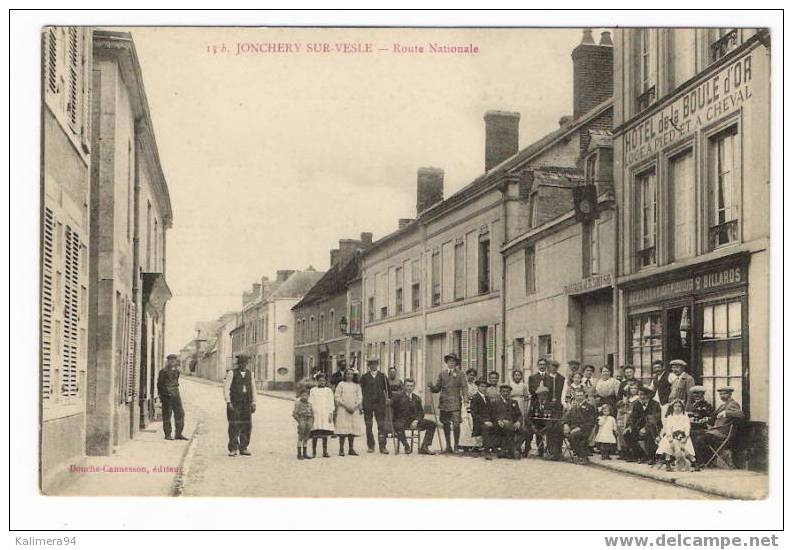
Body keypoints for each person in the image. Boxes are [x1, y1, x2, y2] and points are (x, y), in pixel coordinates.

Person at [428, 353, 466, 453]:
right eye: (449, 361)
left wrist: (465, 397)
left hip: (455, 403)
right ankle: (448, 446)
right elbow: (437, 388)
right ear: (447, 362)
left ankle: (456, 446)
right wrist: (431, 387)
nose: (451, 363)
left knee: (456, 424)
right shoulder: (442, 374)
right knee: (445, 424)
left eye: (453, 361)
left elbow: (464, 387)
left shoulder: (461, 374)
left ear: (456, 363)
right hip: (444, 403)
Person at [390, 378, 437, 455]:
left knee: (432, 424)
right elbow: (390, 406)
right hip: (401, 421)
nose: (409, 388)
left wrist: (416, 420)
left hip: (413, 421)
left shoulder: (416, 398)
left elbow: (421, 412)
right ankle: (406, 446)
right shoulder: (397, 397)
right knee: (399, 426)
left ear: (414, 387)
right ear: (404, 386)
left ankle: (424, 446)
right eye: (407, 386)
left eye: (411, 386)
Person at [700, 386, 744, 467]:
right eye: (720, 394)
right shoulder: (722, 405)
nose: (722, 396)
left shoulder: (733, 404)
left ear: (730, 394)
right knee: (695, 433)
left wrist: (726, 413)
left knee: (700, 438)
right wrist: (707, 419)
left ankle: (703, 462)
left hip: (722, 433)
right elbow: (713, 417)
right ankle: (704, 462)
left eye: (724, 394)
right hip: (716, 431)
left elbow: (740, 414)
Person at [224, 353, 257, 456]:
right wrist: (228, 401)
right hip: (234, 403)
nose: (243, 365)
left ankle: (244, 447)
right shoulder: (231, 373)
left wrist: (254, 402)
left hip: (246, 403)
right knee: (234, 425)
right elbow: (226, 388)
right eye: (241, 363)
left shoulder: (250, 374)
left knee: (246, 425)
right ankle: (233, 448)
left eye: (245, 363)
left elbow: (253, 388)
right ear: (238, 364)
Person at [623, 385, 662, 464]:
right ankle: (641, 455)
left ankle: (652, 457)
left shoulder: (655, 404)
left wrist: (645, 428)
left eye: (643, 395)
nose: (641, 397)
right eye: (640, 394)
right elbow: (632, 417)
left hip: (653, 427)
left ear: (648, 395)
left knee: (649, 433)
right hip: (639, 427)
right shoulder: (637, 404)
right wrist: (629, 426)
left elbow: (654, 419)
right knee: (627, 434)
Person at [359, 358, 390, 454]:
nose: (373, 366)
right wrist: (361, 404)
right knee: (369, 425)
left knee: (381, 425)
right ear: (369, 366)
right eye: (371, 364)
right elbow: (360, 392)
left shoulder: (383, 376)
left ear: (377, 365)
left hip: (380, 404)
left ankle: (383, 446)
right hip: (368, 404)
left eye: (375, 364)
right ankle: (371, 446)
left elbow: (388, 390)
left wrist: (388, 399)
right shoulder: (364, 377)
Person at [657, 399, 696, 471]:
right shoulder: (670, 417)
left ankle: (693, 461)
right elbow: (668, 428)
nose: (677, 408)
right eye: (675, 406)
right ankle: (667, 462)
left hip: (683, 436)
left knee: (684, 447)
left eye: (679, 406)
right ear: (672, 407)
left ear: (682, 408)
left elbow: (687, 427)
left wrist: (686, 436)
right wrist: (670, 437)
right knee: (668, 445)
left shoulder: (685, 417)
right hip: (672, 436)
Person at [485, 384, 523, 459]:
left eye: (507, 392)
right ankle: (512, 451)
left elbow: (519, 415)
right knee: (507, 427)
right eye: (503, 391)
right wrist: (498, 420)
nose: (505, 393)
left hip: (512, 423)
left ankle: (512, 448)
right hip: (500, 424)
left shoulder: (514, 402)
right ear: (500, 392)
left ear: (510, 393)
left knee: (525, 431)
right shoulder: (495, 402)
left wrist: (518, 422)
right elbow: (492, 414)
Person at [562, 387, 598, 464]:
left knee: (574, 436)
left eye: (581, 395)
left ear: (585, 396)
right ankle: (555, 453)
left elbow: (591, 422)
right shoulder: (574, 407)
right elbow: (566, 417)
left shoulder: (590, 407)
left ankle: (582, 456)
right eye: (577, 395)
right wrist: (565, 424)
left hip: (585, 430)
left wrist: (579, 428)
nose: (579, 397)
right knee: (556, 431)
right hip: (573, 429)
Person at [527, 386, 563, 460]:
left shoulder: (552, 405)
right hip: (537, 425)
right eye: (540, 395)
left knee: (552, 431)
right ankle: (527, 450)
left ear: (547, 395)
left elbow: (555, 418)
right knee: (527, 430)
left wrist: (548, 426)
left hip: (548, 426)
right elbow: (528, 417)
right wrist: (532, 425)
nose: (542, 397)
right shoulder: (534, 404)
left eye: (544, 395)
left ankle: (551, 452)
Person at [157, 354, 187, 441]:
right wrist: (163, 395)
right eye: (171, 360)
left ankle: (178, 434)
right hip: (167, 396)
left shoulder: (176, 372)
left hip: (176, 395)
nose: (173, 362)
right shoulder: (163, 371)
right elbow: (160, 385)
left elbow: (176, 383)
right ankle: (168, 434)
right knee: (167, 415)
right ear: (168, 361)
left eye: (174, 360)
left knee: (180, 414)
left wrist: (175, 393)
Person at [334, 368, 363, 456]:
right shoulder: (341, 384)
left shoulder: (357, 385)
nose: (349, 375)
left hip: (354, 410)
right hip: (343, 409)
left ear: (353, 375)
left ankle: (351, 449)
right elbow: (337, 396)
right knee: (343, 429)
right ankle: (341, 449)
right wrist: (345, 406)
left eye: (351, 374)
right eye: (347, 374)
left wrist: (355, 406)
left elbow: (360, 397)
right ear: (345, 375)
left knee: (352, 429)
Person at [686, 385, 715, 470]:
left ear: (703, 395)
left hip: (703, 429)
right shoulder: (689, 405)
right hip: (691, 428)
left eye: (699, 394)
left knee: (698, 438)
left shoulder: (707, 406)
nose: (697, 396)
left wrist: (703, 420)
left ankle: (699, 461)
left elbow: (711, 419)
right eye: (695, 394)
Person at [308, 373, 335, 458]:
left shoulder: (328, 390)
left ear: (326, 381)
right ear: (317, 381)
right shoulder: (313, 390)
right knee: (315, 433)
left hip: (325, 413)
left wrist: (331, 413)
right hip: (316, 414)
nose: (322, 382)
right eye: (320, 381)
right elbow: (310, 402)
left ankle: (325, 451)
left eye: (323, 381)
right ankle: (314, 452)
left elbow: (331, 402)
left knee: (325, 433)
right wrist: (311, 412)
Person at [509, 369, 531, 456]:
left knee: (521, 425)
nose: (517, 377)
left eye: (519, 375)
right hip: (513, 403)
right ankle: (513, 446)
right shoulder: (510, 384)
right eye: (516, 375)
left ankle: (519, 447)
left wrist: (526, 409)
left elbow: (527, 396)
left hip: (521, 403)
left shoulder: (524, 385)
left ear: (521, 376)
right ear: (513, 376)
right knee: (513, 424)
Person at [616, 380, 640, 458]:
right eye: (631, 388)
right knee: (621, 433)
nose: (633, 390)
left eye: (635, 388)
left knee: (628, 434)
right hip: (625, 417)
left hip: (632, 418)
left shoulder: (638, 399)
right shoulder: (627, 399)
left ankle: (631, 453)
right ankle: (623, 452)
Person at [459, 368, 480, 451]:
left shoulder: (475, 386)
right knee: (465, 423)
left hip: (473, 405)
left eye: (473, 375)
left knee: (473, 423)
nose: (471, 377)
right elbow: (461, 394)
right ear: (466, 375)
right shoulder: (463, 385)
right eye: (470, 375)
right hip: (465, 404)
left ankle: (474, 444)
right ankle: (464, 444)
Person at [468, 378, 490, 455]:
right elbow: (474, 414)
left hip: (487, 420)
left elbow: (490, 411)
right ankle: (486, 451)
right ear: (478, 387)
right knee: (486, 427)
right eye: (482, 386)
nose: (484, 388)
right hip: (479, 422)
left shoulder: (487, 398)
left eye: (485, 387)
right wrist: (484, 421)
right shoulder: (475, 398)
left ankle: (497, 447)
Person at [292, 389, 314, 460]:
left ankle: (305, 453)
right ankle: (299, 454)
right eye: (303, 395)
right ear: (300, 396)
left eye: (306, 395)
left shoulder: (310, 404)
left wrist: (311, 421)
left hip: (309, 421)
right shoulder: (298, 403)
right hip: (302, 420)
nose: (305, 397)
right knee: (300, 437)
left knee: (306, 437)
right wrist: (299, 421)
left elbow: (312, 413)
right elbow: (294, 414)